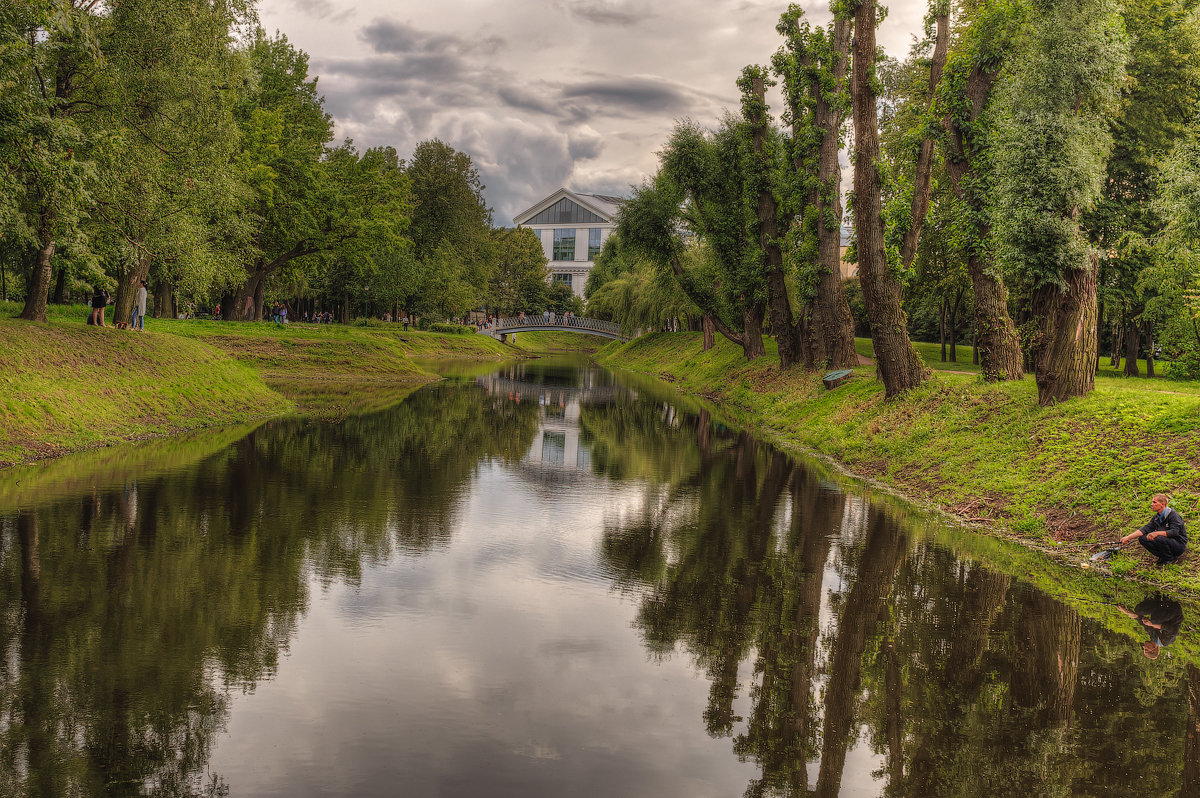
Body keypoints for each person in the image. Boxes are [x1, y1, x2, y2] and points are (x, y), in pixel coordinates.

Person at [1121, 493, 1188, 566]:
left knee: (1159, 538)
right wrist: (1128, 537)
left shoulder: (1173, 515)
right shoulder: (1157, 517)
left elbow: (1174, 532)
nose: (1151, 504)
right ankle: (1163, 557)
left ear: (1162, 504)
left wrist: (1157, 533)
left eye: (1154, 502)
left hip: (1178, 545)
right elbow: (1145, 529)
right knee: (1143, 538)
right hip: (1167, 542)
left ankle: (1169, 559)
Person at [1118, 593, 1183, 659]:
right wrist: (1152, 624)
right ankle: (1166, 601)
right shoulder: (1165, 642)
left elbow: (1139, 619)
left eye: (1144, 649)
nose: (1144, 647)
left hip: (1166, 612)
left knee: (1139, 610)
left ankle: (1158, 599)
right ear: (1154, 649)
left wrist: (1125, 611)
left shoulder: (1153, 635)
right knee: (1154, 620)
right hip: (1175, 613)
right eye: (1146, 649)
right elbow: (1172, 630)